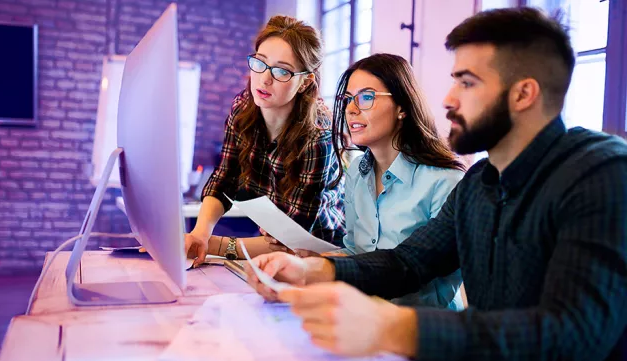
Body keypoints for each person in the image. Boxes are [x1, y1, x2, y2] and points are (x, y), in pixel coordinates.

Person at [245, 7, 627, 360]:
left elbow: (575, 332)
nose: (448, 99)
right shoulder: (479, 183)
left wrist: (394, 326)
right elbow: (409, 261)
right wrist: (311, 270)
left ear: (523, 93)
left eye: (467, 83)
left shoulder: (601, 173)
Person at [185, 15, 345, 264]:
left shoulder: (317, 136)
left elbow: (292, 239)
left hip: (321, 252)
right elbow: (224, 177)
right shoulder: (243, 108)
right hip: (271, 240)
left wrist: (213, 243)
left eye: (282, 71)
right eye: (260, 63)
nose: (265, 79)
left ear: (305, 82)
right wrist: (200, 232)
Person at [331, 53, 465, 310]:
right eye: (348, 99)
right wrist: (309, 261)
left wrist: (323, 270)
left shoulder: (445, 181)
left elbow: (417, 272)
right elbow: (354, 252)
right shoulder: (356, 173)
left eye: (366, 97)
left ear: (402, 107)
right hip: (366, 318)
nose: (350, 109)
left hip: (425, 332)